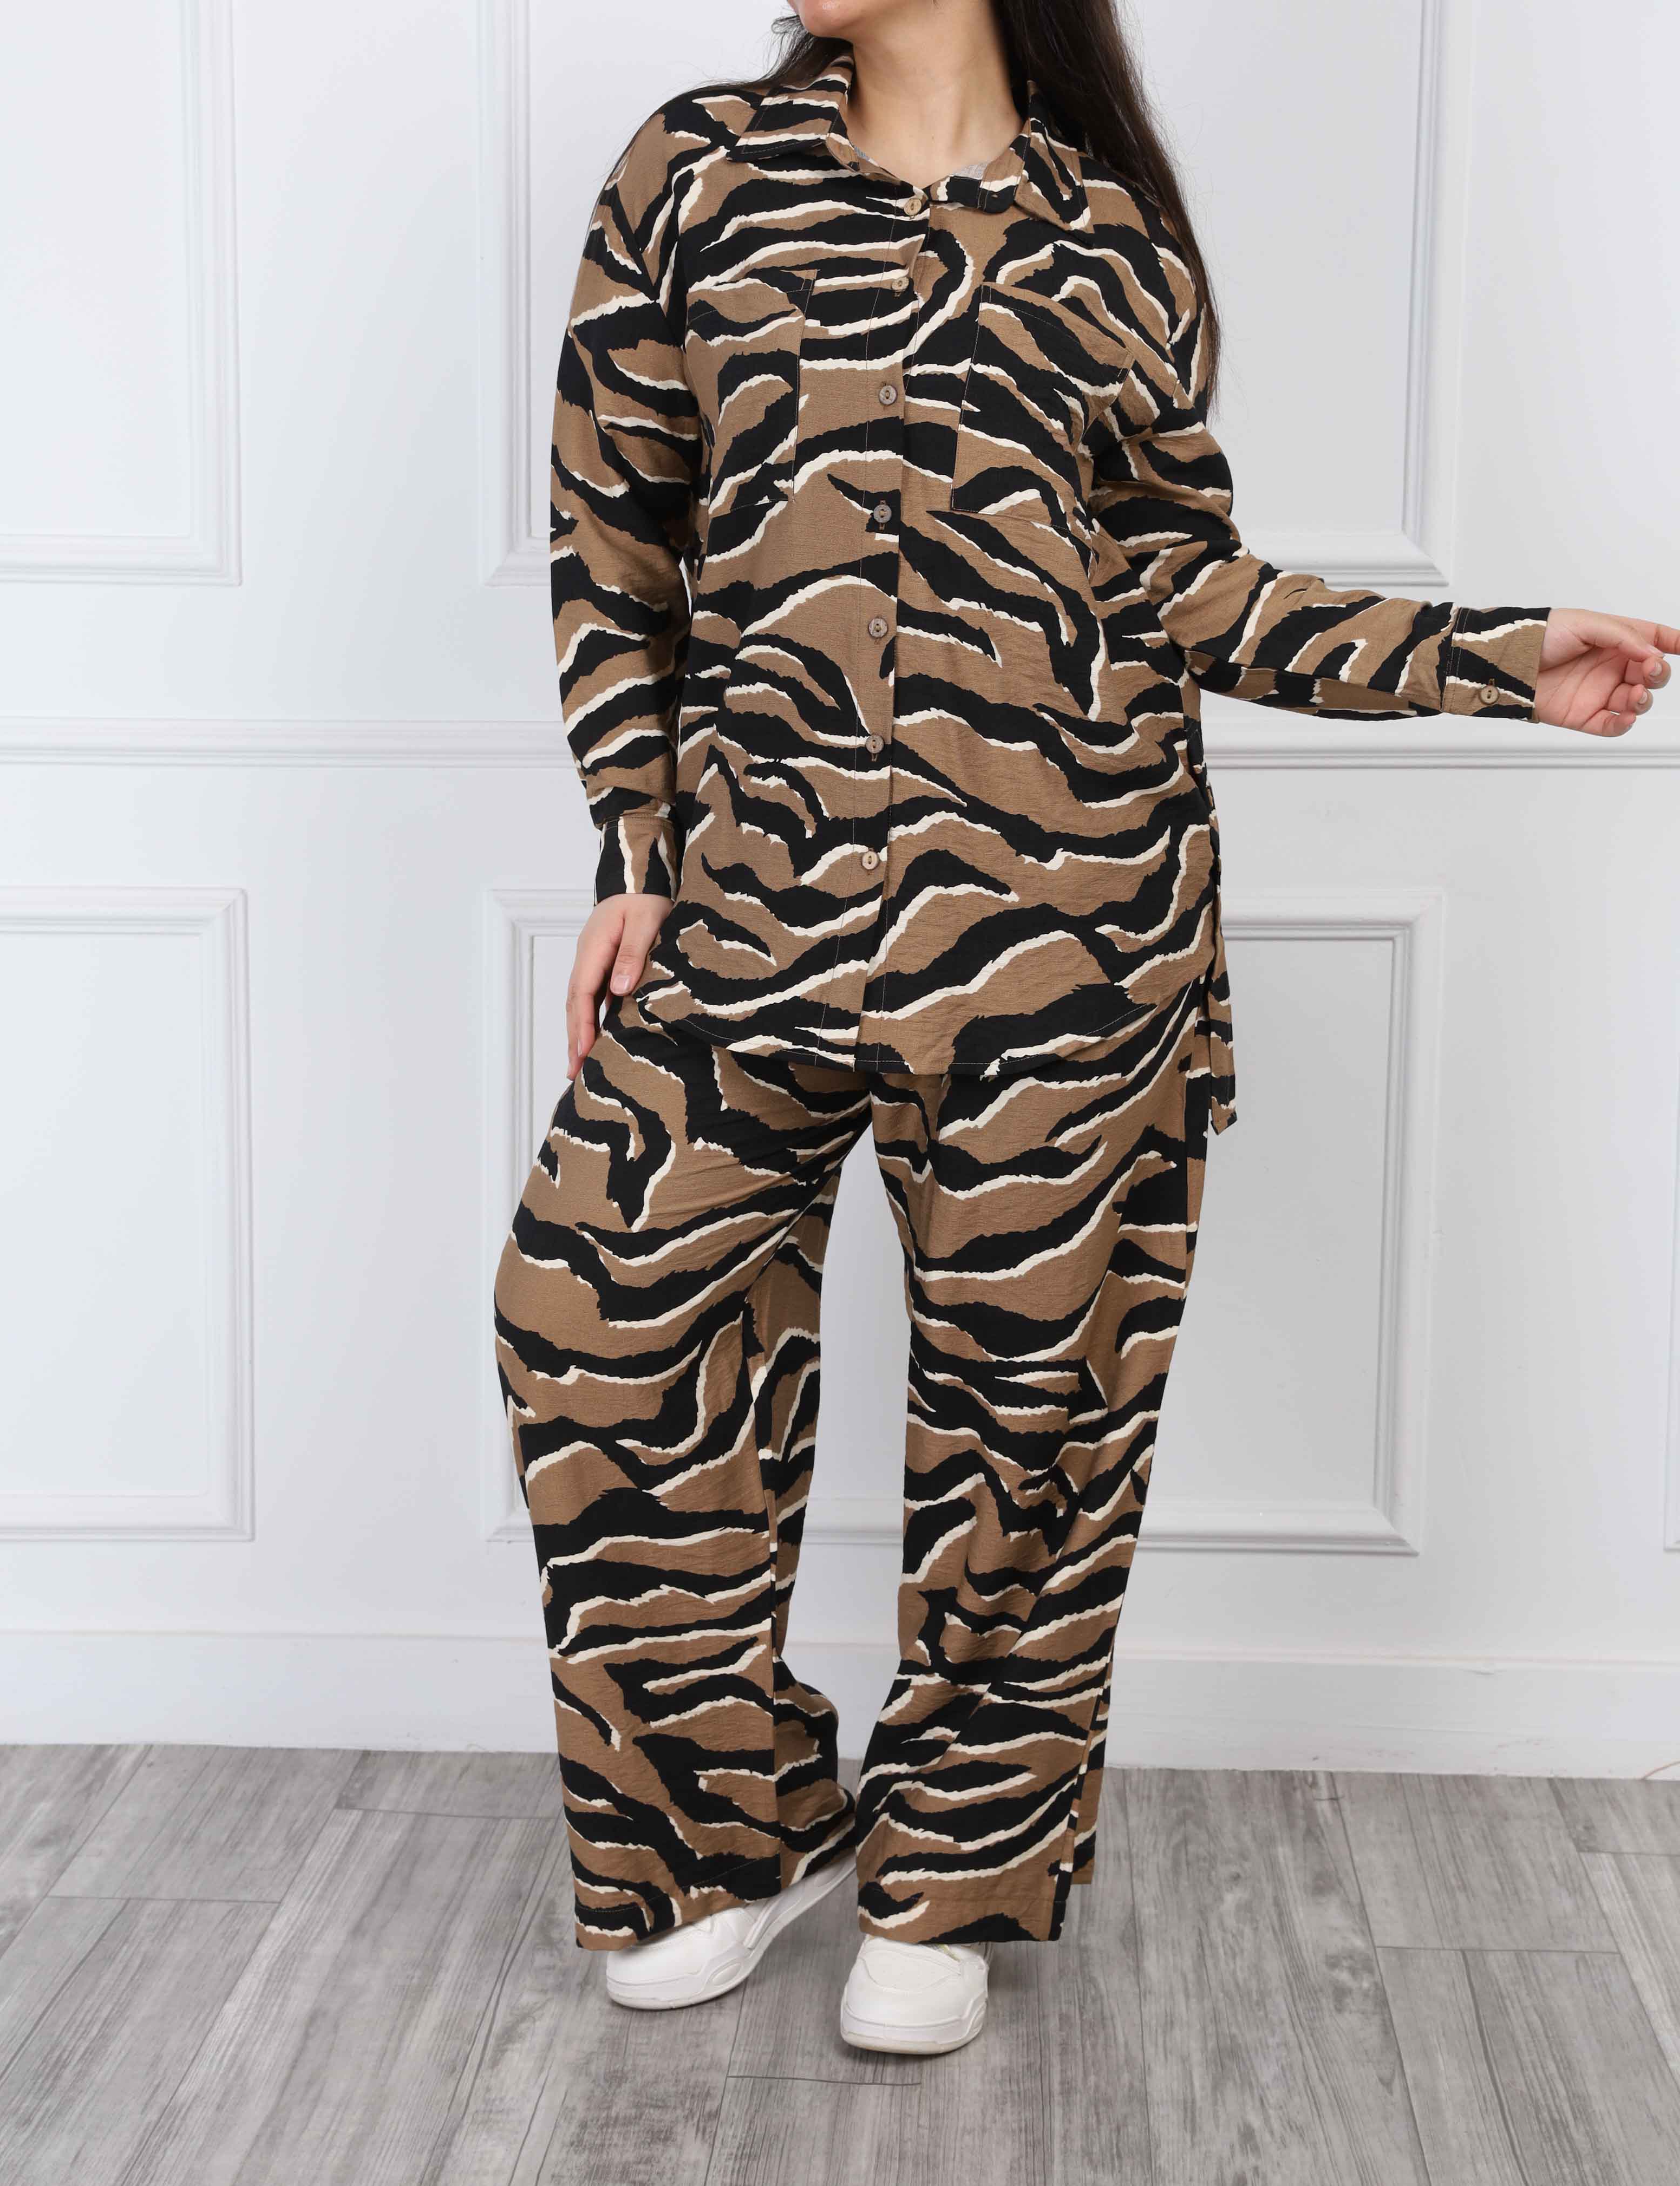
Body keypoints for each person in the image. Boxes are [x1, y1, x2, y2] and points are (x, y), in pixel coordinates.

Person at [493, 0, 1674, 2056]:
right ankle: (730, 1830)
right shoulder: (693, 177)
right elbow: (620, 544)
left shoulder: (1109, 236)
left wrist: (1492, 659)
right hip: (753, 916)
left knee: (1035, 1422)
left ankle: (949, 1871)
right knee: (591, 1326)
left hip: (1076, 932)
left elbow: (1188, 585)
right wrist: (635, 848)